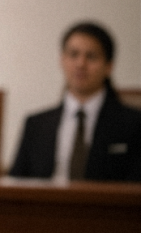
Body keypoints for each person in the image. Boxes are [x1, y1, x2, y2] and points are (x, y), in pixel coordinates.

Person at [10, 22, 141, 182]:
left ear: (109, 66)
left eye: (91, 56)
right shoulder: (36, 125)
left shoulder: (133, 125)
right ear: (62, 60)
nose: (81, 64)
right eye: (73, 54)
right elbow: (15, 184)